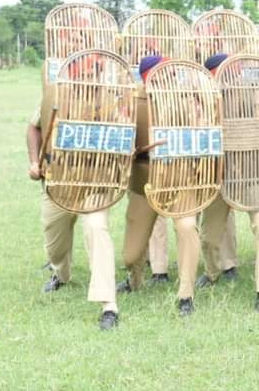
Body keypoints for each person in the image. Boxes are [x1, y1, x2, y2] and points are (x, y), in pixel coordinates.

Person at [26, 69, 120, 330]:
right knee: (54, 237)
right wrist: (35, 162)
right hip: (61, 182)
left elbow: (125, 138)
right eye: (83, 75)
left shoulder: (112, 102)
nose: (88, 80)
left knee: (96, 228)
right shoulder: (53, 96)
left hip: (96, 183)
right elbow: (33, 128)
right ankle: (61, 273)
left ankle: (109, 305)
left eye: (93, 75)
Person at [118, 55, 203, 317]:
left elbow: (204, 135)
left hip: (180, 178)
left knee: (187, 227)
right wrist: (135, 150)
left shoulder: (188, 101)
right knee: (130, 255)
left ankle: (186, 295)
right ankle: (135, 279)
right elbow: (119, 141)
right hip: (145, 180)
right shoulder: (132, 101)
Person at [196, 53, 259, 313]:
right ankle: (212, 272)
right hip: (219, 176)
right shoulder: (202, 101)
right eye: (225, 72)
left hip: (250, 172)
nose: (233, 77)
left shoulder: (252, 95)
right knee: (209, 237)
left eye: (235, 71)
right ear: (211, 75)